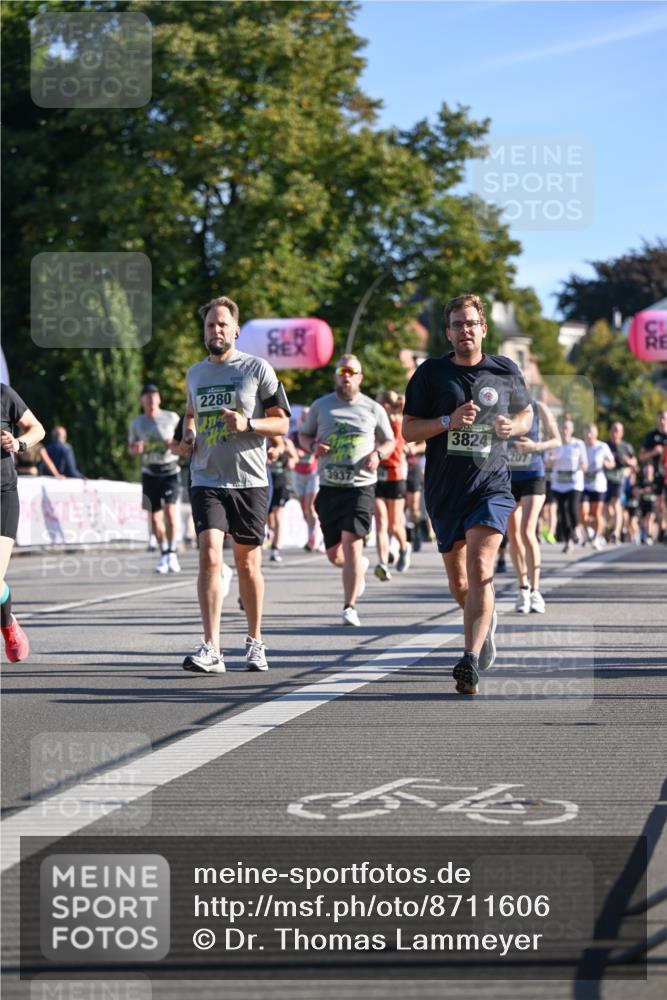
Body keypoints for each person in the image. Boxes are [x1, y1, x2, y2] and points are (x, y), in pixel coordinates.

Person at [403, 293, 532, 695]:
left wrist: (515, 427)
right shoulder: (430, 373)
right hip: (444, 491)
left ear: (483, 328)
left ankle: (469, 660)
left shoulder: (504, 369)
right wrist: (447, 420)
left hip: (490, 486)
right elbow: (408, 431)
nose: (465, 330)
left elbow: (528, 414)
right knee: (460, 583)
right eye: (457, 324)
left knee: (480, 568)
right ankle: (484, 619)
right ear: (448, 332)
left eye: (471, 323)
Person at [177, 295, 290, 673]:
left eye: (223, 324)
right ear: (204, 331)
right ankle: (211, 647)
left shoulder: (257, 369)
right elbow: (191, 414)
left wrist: (249, 425)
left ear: (236, 330)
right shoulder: (195, 374)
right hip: (206, 477)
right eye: (211, 325)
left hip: (249, 479)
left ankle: (255, 642)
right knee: (209, 554)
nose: (217, 330)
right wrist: (189, 436)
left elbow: (283, 422)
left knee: (247, 564)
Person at [300, 354, 395, 627]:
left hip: (360, 487)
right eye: (342, 370)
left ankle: (349, 607)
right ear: (336, 375)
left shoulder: (373, 408)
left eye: (352, 371)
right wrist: (312, 447)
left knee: (352, 545)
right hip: (329, 487)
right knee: (335, 555)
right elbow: (304, 436)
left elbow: (390, 440)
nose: (347, 375)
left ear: (360, 377)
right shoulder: (321, 406)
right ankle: (360, 569)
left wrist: (378, 454)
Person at [1, 383, 46, 662]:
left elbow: (37, 428)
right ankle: (7, 620)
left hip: (2, 495)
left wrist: (18, 443)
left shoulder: (4, 394)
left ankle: (8, 627)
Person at [506, 398, 561, 613]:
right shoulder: (498, 406)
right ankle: (522, 588)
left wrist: (535, 446)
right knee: (513, 536)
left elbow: (556, 440)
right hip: (508, 476)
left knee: (527, 531)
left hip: (533, 474)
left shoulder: (539, 407)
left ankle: (536, 591)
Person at [128, 384, 181, 574]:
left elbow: (184, 442)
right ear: (141, 401)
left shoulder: (171, 417)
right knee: (155, 518)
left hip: (170, 471)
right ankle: (164, 553)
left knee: (170, 511)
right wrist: (136, 449)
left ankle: (173, 552)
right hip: (150, 472)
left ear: (159, 399)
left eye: (154, 397)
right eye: (147, 398)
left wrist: (173, 444)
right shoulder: (137, 423)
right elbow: (131, 449)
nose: (151, 401)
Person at [373, 390, 411, 581]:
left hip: (395, 475)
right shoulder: (374, 422)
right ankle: (382, 564)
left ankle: (404, 547)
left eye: (377, 402)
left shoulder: (397, 421)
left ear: (385, 406)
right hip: (376, 475)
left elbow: (394, 449)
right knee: (381, 522)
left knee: (394, 525)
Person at [548, 417, 587, 554]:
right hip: (558, 482)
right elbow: (547, 462)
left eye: (567, 428)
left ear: (572, 430)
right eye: (562, 428)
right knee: (562, 513)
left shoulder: (578, 444)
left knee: (571, 507)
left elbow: (584, 464)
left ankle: (576, 528)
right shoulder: (554, 444)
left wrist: (580, 467)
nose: (564, 431)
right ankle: (568, 541)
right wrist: (551, 460)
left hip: (574, 481)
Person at [581, 423, 615, 550]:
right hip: (584, 483)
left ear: (596, 434)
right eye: (587, 432)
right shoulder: (581, 446)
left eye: (591, 432)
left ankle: (596, 536)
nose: (589, 435)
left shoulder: (602, 446)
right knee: (583, 512)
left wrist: (607, 464)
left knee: (596, 513)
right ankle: (588, 529)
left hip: (598, 484)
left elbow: (612, 462)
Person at [291, 408, 321, 551]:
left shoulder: (316, 433)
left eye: (307, 415)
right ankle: (311, 534)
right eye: (303, 415)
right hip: (298, 474)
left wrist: (310, 450)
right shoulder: (294, 434)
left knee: (310, 506)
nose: (304, 418)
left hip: (312, 473)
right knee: (304, 510)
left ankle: (315, 537)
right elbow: (288, 447)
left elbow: (319, 449)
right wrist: (293, 453)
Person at [605, 421, 637, 543]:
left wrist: (629, 464)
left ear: (622, 433)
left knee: (617, 504)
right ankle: (610, 528)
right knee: (608, 508)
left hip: (619, 479)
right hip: (606, 479)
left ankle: (616, 532)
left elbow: (635, 463)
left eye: (618, 430)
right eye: (613, 429)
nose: (615, 432)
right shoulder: (605, 445)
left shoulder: (626, 447)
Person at [267, 435, 298, 562]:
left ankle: (275, 548)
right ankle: (272, 533)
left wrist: (290, 457)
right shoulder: (264, 439)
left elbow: (294, 460)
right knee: (269, 516)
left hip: (282, 481)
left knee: (278, 512)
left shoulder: (286, 442)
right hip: (267, 481)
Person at [639, 410, 667, 542]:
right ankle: (662, 529)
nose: (662, 421)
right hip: (658, 475)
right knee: (660, 504)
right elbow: (642, 456)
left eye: (665, 419)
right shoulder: (652, 436)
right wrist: (654, 452)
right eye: (660, 418)